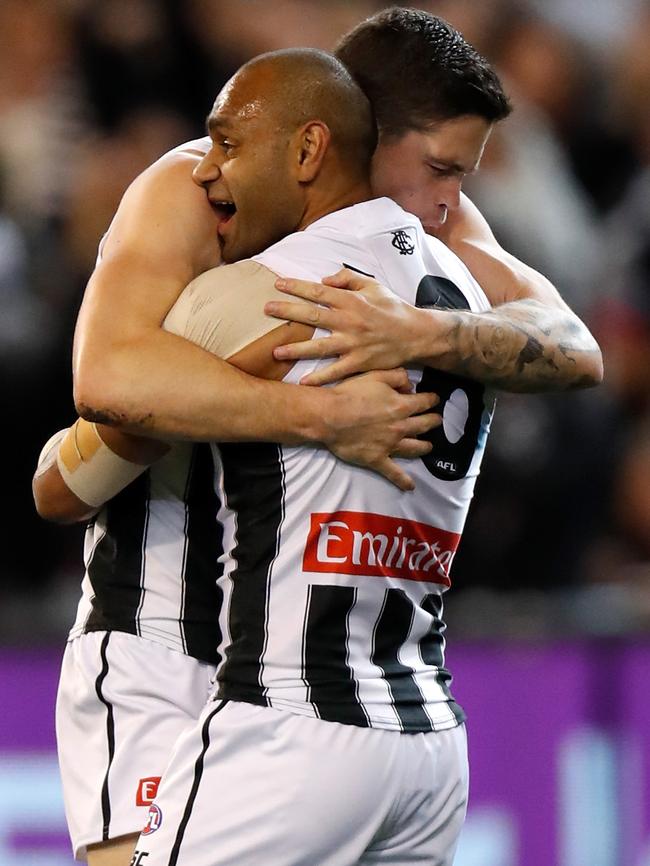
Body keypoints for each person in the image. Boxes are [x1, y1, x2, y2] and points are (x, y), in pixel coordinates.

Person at [35, 10, 601, 865]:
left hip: (282, 671)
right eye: (440, 168)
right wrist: (314, 410)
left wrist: (423, 335)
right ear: (345, 136)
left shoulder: (419, 239)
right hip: (160, 636)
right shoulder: (189, 193)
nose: (450, 203)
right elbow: (104, 389)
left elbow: (574, 346)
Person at [126, 46, 492, 866]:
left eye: (228, 146)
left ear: (307, 150)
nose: (206, 172)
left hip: (296, 725)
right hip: (428, 742)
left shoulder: (276, 286)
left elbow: (97, 413)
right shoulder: (470, 297)